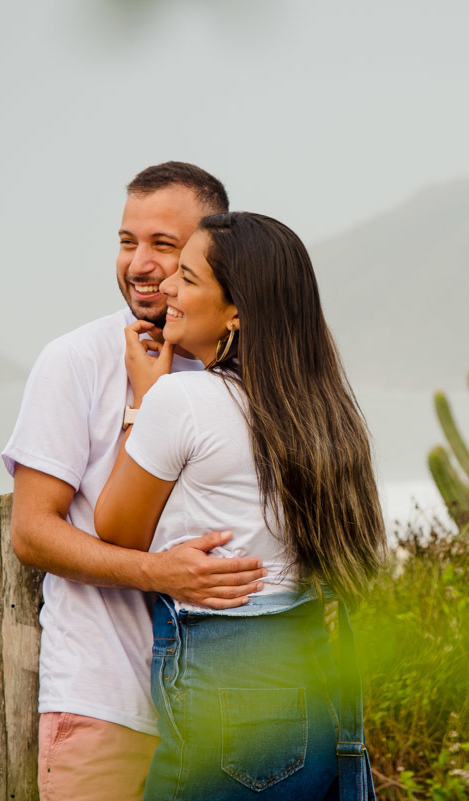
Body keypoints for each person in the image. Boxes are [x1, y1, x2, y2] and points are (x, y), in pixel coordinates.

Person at [94, 211, 386, 800]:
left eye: (189, 278)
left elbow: (117, 527)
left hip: (226, 663)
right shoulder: (317, 407)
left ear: (238, 311)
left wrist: (143, 404)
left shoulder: (181, 399)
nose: (169, 288)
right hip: (313, 660)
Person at [2, 163, 269, 801]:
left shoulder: (243, 374)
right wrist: (159, 573)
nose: (140, 265)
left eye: (165, 247)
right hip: (106, 699)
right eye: (128, 242)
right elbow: (33, 534)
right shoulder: (74, 360)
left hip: (223, 706)